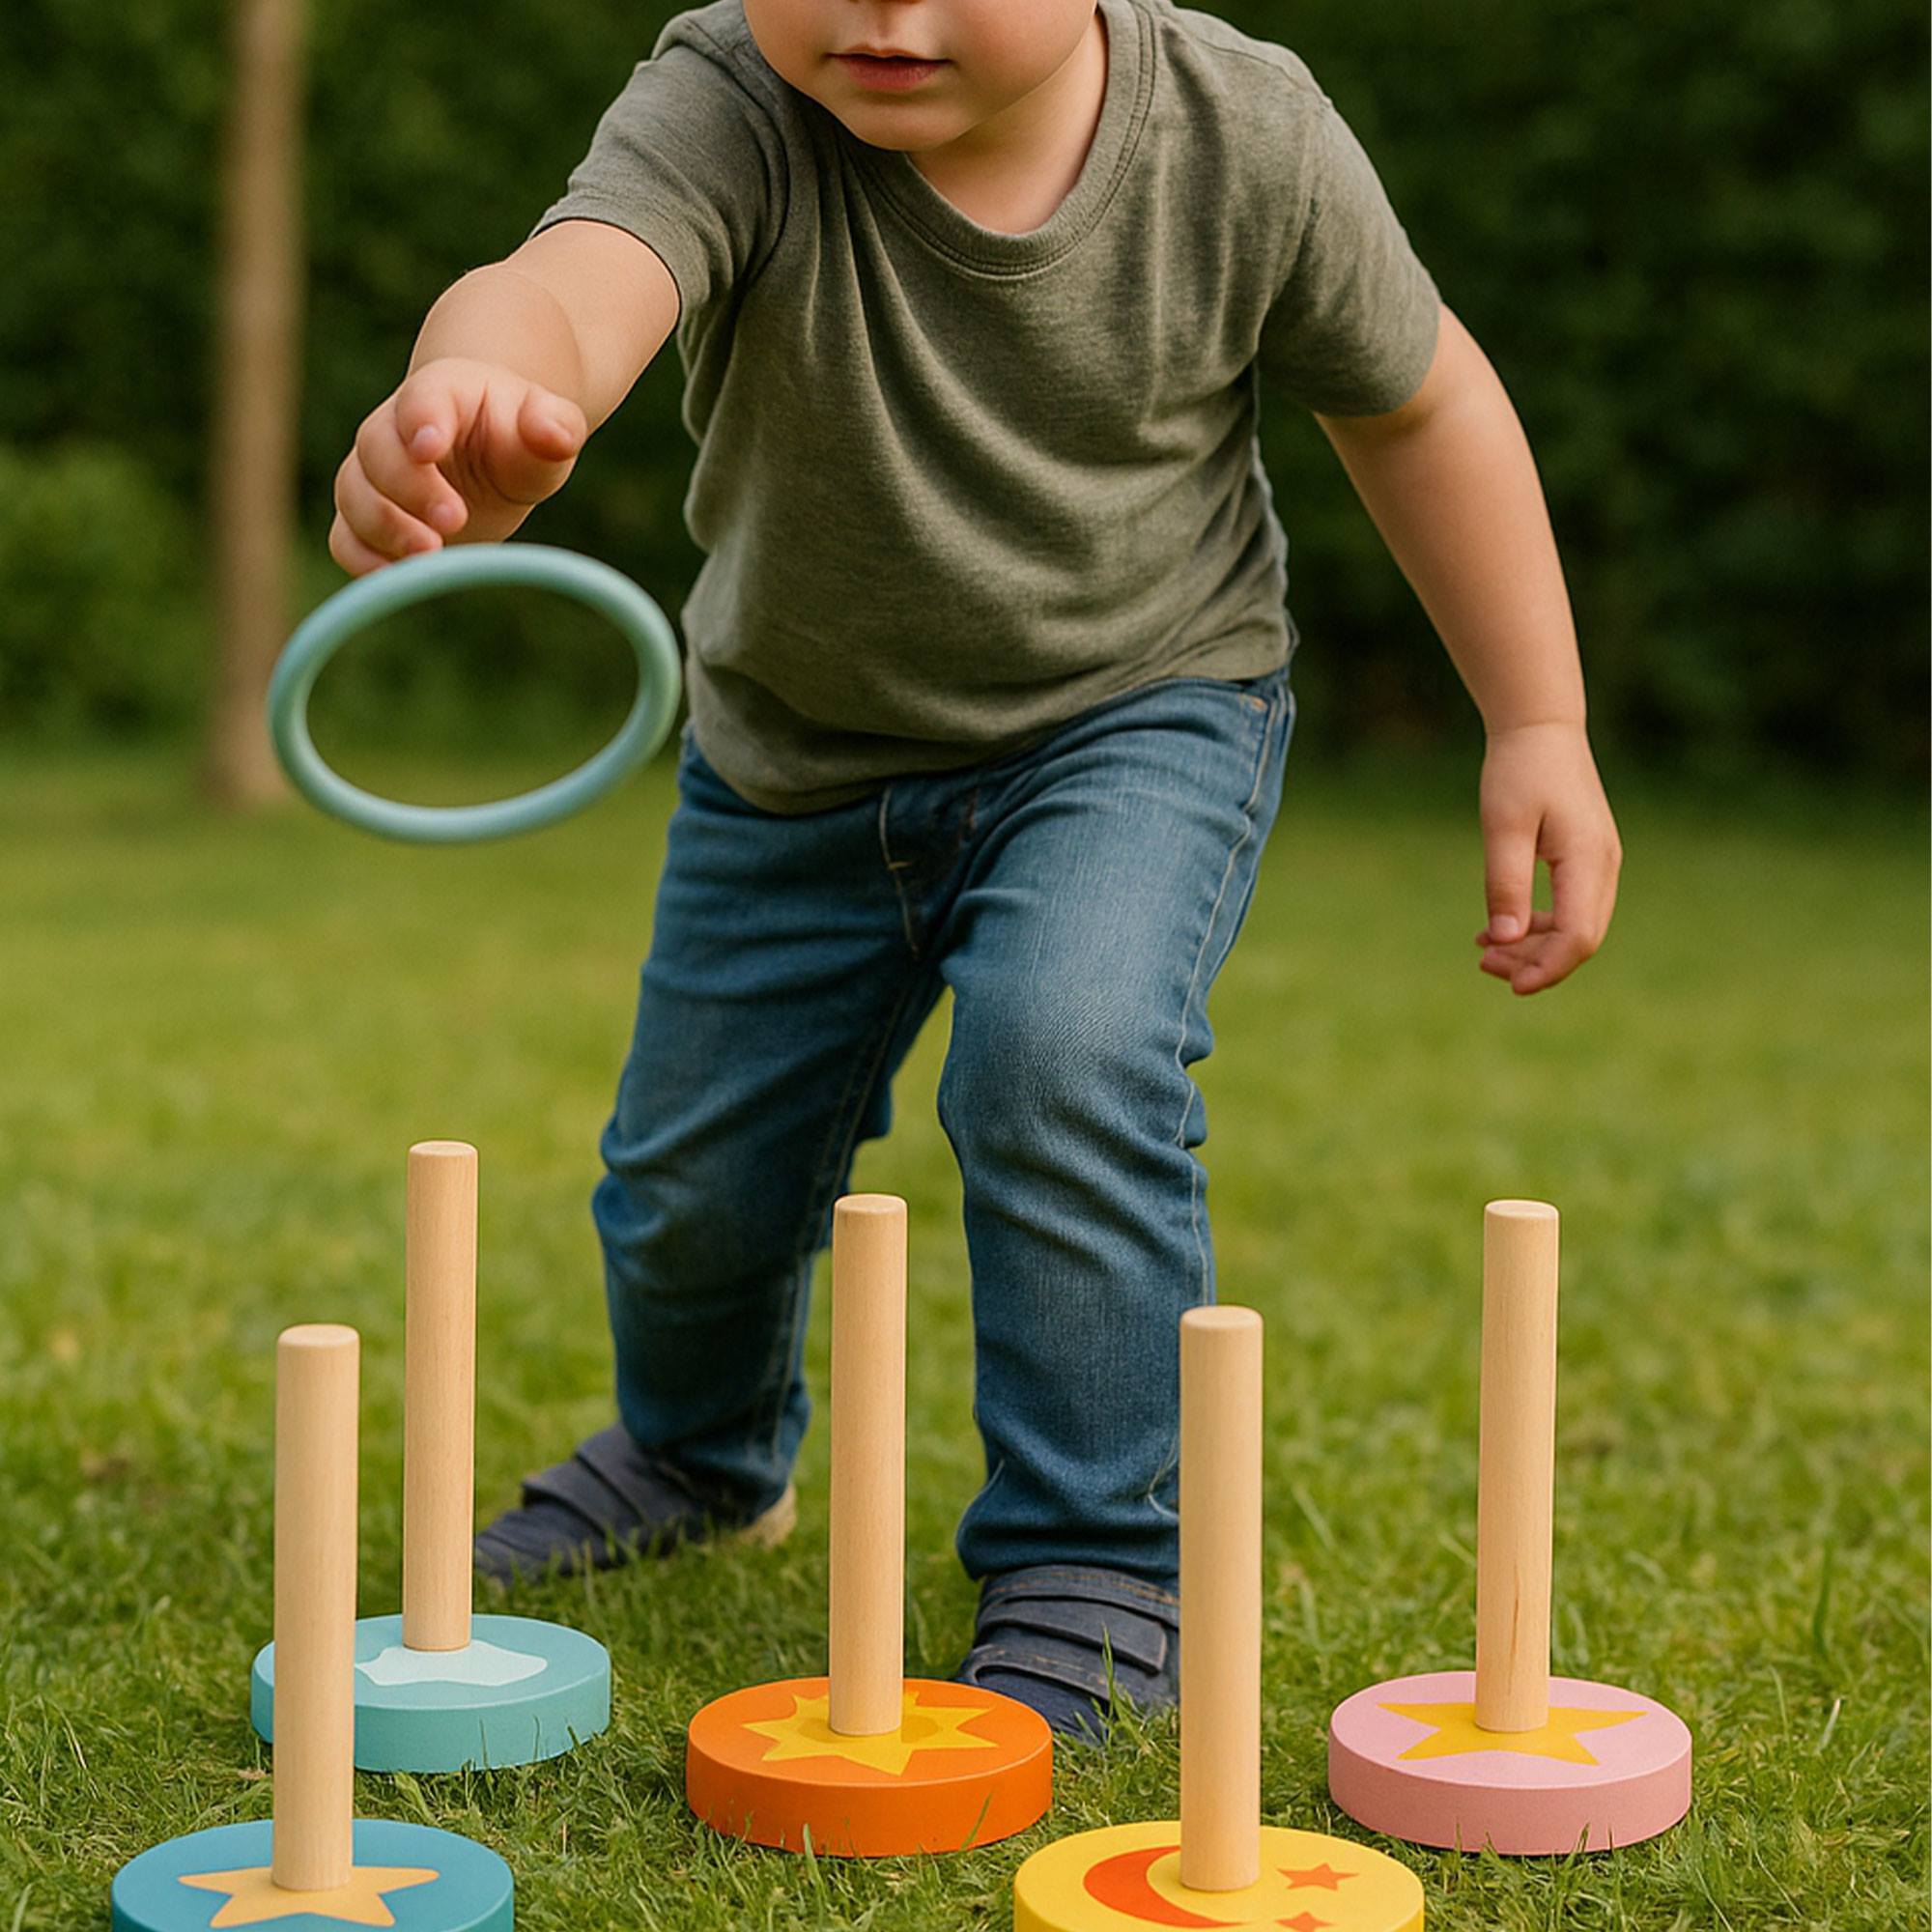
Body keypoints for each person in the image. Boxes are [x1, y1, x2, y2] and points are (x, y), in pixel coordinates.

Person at [327, 0, 1622, 1738]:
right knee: (693, 1169)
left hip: (1136, 719)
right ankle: (703, 1455)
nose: (881, 15)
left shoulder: (1246, 136)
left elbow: (1419, 400)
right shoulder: (734, 100)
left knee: (1062, 1053)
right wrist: (480, 388)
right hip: (793, 753)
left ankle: (1093, 1548)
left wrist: (1537, 718)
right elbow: (570, 278)